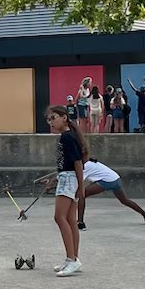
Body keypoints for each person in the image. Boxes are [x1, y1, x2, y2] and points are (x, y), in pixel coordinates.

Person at [45, 105, 88, 277]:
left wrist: (81, 187)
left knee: (59, 217)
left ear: (64, 117)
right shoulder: (68, 136)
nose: (51, 122)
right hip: (67, 177)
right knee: (70, 219)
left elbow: (77, 162)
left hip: (69, 179)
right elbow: (68, 164)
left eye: (54, 117)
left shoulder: (66, 137)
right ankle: (73, 258)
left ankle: (72, 259)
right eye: (49, 119)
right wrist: (55, 179)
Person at [71, 159, 145, 231]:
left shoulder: (84, 166)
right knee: (124, 200)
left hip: (106, 181)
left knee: (81, 195)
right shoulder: (91, 162)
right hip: (116, 179)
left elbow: (79, 181)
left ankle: (80, 223)